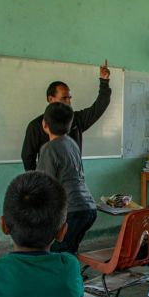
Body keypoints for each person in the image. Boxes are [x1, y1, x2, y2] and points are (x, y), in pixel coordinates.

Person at [21, 61, 111, 170]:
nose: (68, 102)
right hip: (49, 184)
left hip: (74, 182)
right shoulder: (35, 126)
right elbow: (27, 158)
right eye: (64, 98)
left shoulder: (76, 120)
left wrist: (104, 82)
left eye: (69, 98)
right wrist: (38, 182)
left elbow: (99, 107)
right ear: (50, 99)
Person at [36, 102, 96, 254]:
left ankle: (64, 276)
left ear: (44, 124)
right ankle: (72, 275)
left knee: (55, 252)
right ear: (69, 125)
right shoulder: (72, 144)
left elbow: (45, 184)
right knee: (69, 250)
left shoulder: (49, 149)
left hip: (72, 211)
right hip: (88, 208)